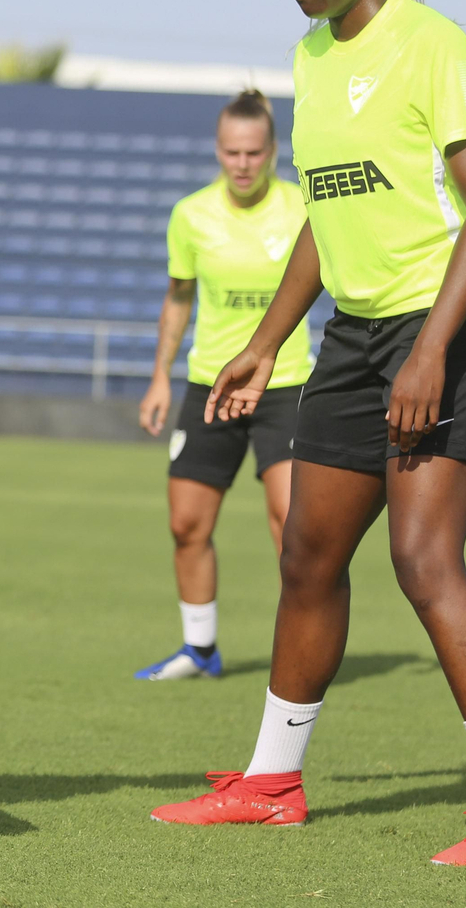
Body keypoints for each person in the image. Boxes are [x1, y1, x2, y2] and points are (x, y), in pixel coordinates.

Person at [151, 0, 466, 867]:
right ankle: (271, 783)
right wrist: (258, 345)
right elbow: (322, 222)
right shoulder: (309, 57)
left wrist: (429, 353)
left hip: (451, 324)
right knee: (306, 554)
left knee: (423, 562)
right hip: (356, 332)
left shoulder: (431, 44)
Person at [135, 91, 313, 680]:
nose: (242, 164)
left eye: (254, 152)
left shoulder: (304, 208)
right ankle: (200, 650)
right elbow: (178, 297)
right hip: (209, 384)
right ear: (218, 150)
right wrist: (161, 375)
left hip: (285, 386)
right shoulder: (191, 215)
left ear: (273, 151)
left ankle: (303, 652)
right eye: (232, 152)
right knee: (186, 524)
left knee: (292, 527)